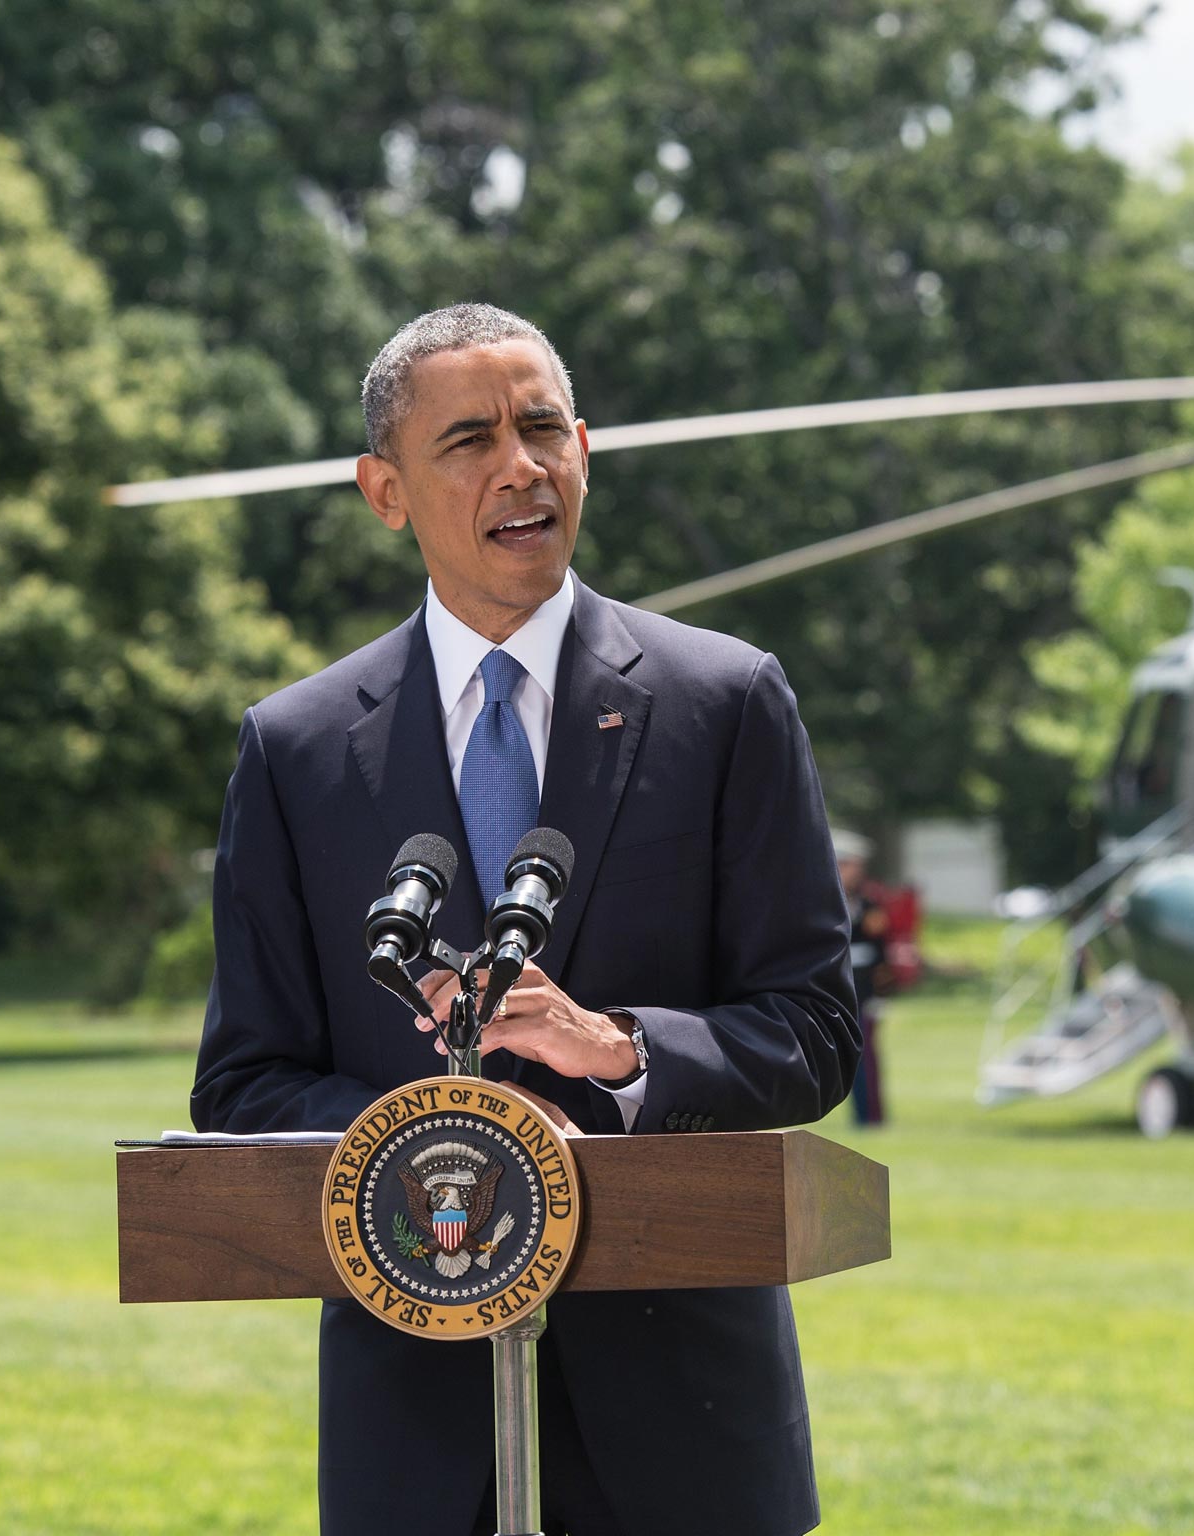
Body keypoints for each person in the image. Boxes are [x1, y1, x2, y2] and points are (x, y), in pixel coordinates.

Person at [190, 303, 860, 1536]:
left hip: (689, 1434)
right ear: (384, 491)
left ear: (586, 453)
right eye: (469, 440)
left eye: (543, 427)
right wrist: (458, 1137)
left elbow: (817, 1030)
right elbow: (245, 1084)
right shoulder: (292, 751)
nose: (521, 465)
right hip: (417, 1437)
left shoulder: (726, 702)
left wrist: (620, 1051)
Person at [832, 831, 889, 1126]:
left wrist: (880, 996)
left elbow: (881, 953)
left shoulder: (868, 903)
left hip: (864, 992)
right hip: (834, 993)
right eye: (849, 865)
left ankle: (870, 1117)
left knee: (868, 1059)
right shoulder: (823, 900)